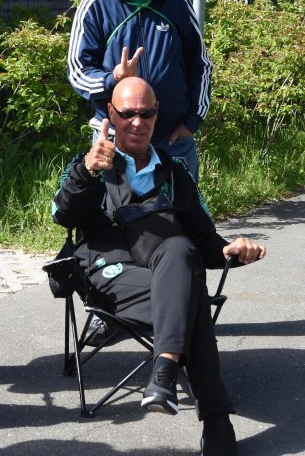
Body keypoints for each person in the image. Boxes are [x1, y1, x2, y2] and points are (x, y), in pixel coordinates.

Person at [52, 77, 265, 456]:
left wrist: (233, 249)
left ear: (157, 115)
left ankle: (163, 374)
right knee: (192, 299)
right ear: (111, 116)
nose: (138, 121)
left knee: (181, 248)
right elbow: (63, 215)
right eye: (128, 113)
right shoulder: (92, 162)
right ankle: (216, 422)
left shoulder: (174, 173)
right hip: (110, 279)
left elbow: (207, 243)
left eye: (146, 112)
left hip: (168, 276)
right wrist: (86, 170)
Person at [67, 0, 212, 184]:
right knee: (113, 219)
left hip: (172, 141)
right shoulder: (95, 5)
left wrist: (192, 121)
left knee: (182, 220)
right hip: (114, 141)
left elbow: (200, 64)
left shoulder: (175, 0)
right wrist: (113, 80)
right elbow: (77, 72)